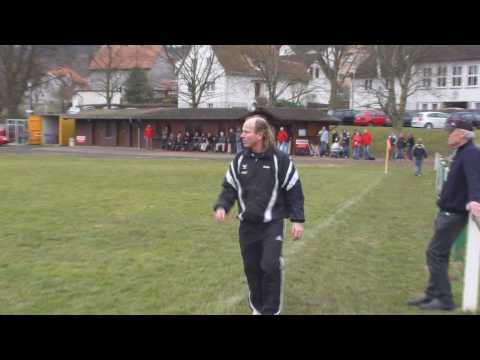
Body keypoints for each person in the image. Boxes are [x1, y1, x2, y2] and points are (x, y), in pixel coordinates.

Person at [214, 114, 305, 315]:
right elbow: (229, 187)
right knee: (252, 269)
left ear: (261, 135)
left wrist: (297, 220)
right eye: (242, 131)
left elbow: (294, 190)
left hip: (272, 225)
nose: (242, 135)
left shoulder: (280, 160)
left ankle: (271, 310)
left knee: (270, 265)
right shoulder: (239, 160)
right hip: (247, 226)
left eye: (247, 131)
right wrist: (222, 206)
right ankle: (257, 306)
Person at [407, 118, 480, 310]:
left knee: (435, 253)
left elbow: (475, 178)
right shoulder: (463, 152)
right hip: (447, 211)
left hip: (453, 214)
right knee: (439, 254)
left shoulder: (471, 153)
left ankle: (445, 300)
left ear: (462, 135)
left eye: (451, 132)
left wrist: (475, 200)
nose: (448, 135)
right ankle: (432, 294)